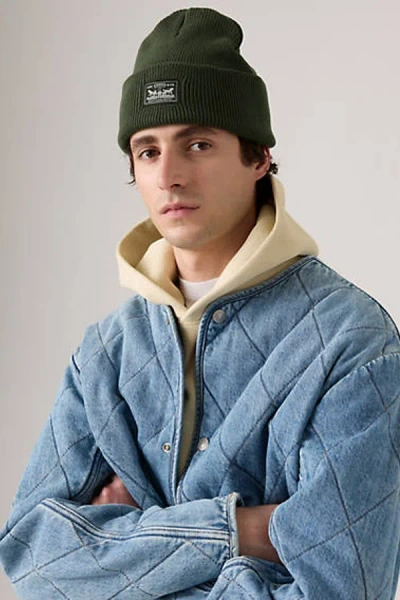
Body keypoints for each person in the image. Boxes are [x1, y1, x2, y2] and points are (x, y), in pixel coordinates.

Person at [1, 7, 399, 599]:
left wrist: (124, 552)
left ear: (258, 157)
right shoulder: (106, 354)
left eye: (199, 143)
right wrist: (239, 531)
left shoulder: (351, 343)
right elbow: (31, 555)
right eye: (147, 151)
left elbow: (342, 588)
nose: (170, 176)